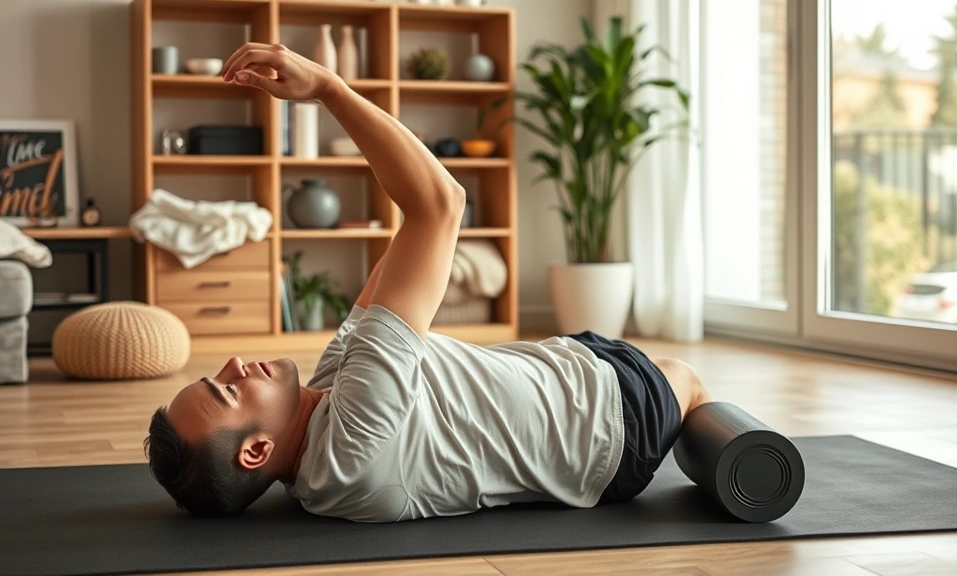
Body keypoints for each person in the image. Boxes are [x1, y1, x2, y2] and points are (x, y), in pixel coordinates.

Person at [143, 42, 711, 522]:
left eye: (218, 374)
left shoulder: (323, 423)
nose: (236, 366)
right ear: (258, 450)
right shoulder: (353, 442)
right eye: (230, 390)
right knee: (686, 377)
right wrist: (328, 89)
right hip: (610, 422)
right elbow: (441, 204)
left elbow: (402, 257)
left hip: (572, 370)